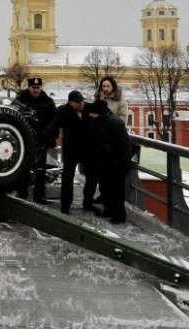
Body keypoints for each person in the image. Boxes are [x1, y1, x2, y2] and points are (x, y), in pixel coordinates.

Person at [45, 90, 92, 213]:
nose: (81, 104)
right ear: (70, 102)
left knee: (91, 176)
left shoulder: (88, 108)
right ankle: (65, 204)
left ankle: (88, 202)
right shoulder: (63, 111)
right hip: (71, 149)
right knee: (68, 177)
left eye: (82, 101)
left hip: (87, 148)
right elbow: (53, 126)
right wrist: (49, 138)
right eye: (77, 102)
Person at [87, 98, 130, 224]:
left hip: (116, 163)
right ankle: (109, 210)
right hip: (105, 162)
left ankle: (119, 214)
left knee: (117, 190)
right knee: (105, 188)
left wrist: (121, 162)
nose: (90, 115)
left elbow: (124, 144)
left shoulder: (115, 122)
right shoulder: (102, 120)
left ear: (99, 112)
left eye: (92, 113)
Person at [13, 76, 56, 203]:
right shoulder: (20, 100)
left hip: (41, 139)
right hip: (25, 138)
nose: (36, 90)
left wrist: (50, 136)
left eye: (38, 88)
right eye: (33, 88)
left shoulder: (47, 102)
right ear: (29, 87)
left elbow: (54, 120)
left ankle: (39, 196)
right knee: (23, 166)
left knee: (40, 169)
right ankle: (22, 194)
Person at [87, 76, 128, 206]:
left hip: (113, 139)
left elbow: (123, 119)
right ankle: (103, 195)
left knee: (113, 176)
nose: (105, 89)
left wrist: (110, 123)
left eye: (108, 86)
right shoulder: (98, 98)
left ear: (113, 87)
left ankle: (113, 203)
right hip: (101, 140)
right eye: (103, 86)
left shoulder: (120, 100)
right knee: (102, 173)